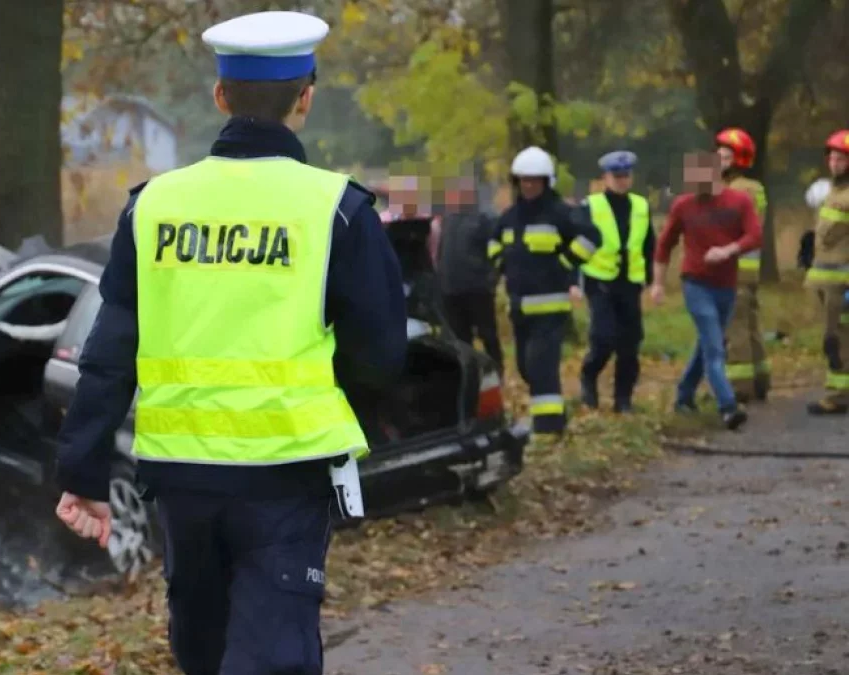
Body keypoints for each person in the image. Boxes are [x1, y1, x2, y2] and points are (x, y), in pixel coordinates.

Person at [52, 11, 408, 674]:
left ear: (220, 97)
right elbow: (382, 355)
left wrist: (84, 471)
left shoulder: (153, 205)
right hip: (287, 472)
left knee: (205, 651)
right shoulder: (338, 209)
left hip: (180, 479)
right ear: (306, 96)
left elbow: (110, 347)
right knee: (272, 655)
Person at [488, 146, 602, 441]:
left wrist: (565, 264)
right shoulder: (510, 216)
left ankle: (548, 430)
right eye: (523, 180)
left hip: (551, 309)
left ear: (546, 181)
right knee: (527, 367)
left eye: (534, 180)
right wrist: (500, 263)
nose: (528, 185)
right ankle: (555, 417)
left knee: (541, 366)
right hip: (519, 309)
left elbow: (592, 237)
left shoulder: (561, 213)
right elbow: (495, 242)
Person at [650, 151, 761, 430]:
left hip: (726, 285)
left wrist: (728, 250)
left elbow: (754, 236)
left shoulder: (739, 201)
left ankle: (684, 397)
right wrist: (658, 283)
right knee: (714, 346)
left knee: (706, 345)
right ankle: (728, 407)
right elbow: (664, 246)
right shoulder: (684, 205)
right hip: (695, 283)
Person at [577, 150, 657, 413]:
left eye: (626, 176)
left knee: (630, 343)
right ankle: (589, 376)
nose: (622, 181)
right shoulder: (590, 206)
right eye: (616, 176)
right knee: (604, 337)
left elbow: (648, 244)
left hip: (629, 282)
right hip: (600, 280)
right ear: (605, 178)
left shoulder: (641, 206)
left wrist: (652, 279)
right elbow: (575, 244)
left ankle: (623, 400)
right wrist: (572, 281)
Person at [715, 128, 771, 403]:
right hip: (748, 270)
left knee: (734, 328)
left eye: (725, 156)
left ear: (739, 160)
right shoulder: (754, 188)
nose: (718, 160)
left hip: (733, 269)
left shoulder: (738, 190)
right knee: (750, 326)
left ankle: (739, 389)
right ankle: (760, 381)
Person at [436, 174, 504, 372]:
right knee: (459, 340)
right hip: (450, 290)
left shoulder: (485, 217)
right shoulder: (447, 218)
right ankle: (469, 375)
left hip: (478, 288)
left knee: (488, 335)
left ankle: (497, 372)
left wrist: (492, 279)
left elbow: (497, 250)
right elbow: (440, 251)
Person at [803, 129, 849, 416]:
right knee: (838, 337)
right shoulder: (831, 191)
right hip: (826, 281)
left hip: (841, 283)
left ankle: (838, 396)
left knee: (836, 340)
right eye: (832, 157)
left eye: (842, 158)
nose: (834, 162)